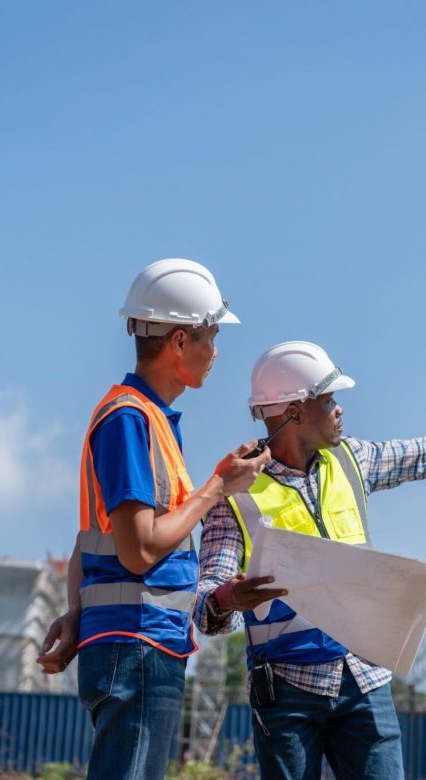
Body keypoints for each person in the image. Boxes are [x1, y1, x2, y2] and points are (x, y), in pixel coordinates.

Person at [194, 340, 426, 780]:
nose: (339, 410)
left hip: (363, 678)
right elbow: (204, 604)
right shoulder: (235, 491)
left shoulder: (352, 460)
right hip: (287, 690)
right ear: (294, 412)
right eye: (329, 400)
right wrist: (228, 597)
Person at [37, 259, 271, 780]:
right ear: (180, 341)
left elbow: (89, 543)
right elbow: (139, 550)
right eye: (212, 336)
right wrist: (218, 486)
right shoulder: (129, 419)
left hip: (139, 642)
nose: (216, 351)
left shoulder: (148, 419)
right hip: (136, 644)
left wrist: (76, 614)